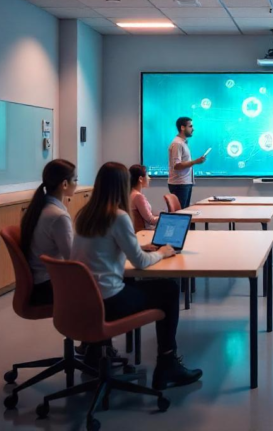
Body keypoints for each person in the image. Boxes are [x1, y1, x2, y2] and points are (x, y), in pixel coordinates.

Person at [71, 162, 203, 390]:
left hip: (83, 300)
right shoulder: (118, 216)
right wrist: (162, 252)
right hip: (108, 301)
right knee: (169, 289)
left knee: (132, 280)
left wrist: (139, 248)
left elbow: (103, 250)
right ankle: (167, 364)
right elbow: (140, 263)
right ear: (123, 186)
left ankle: (94, 351)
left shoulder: (85, 215)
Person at [20, 159, 77, 305]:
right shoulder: (58, 216)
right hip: (48, 286)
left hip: (40, 282)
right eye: (75, 180)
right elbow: (72, 258)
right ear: (65, 184)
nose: (77, 184)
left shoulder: (40, 207)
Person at [168, 117, 206, 209]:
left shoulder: (183, 143)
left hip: (184, 183)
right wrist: (195, 161)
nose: (193, 129)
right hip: (179, 184)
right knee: (181, 214)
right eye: (190, 126)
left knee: (184, 211)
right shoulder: (177, 143)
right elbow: (177, 165)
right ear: (182, 127)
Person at [130, 164, 159, 231]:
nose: (149, 178)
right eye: (147, 175)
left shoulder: (130, 193)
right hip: (146, 231)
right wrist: (165, 217)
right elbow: (151, 220)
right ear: (140, 179)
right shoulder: (138, 196)